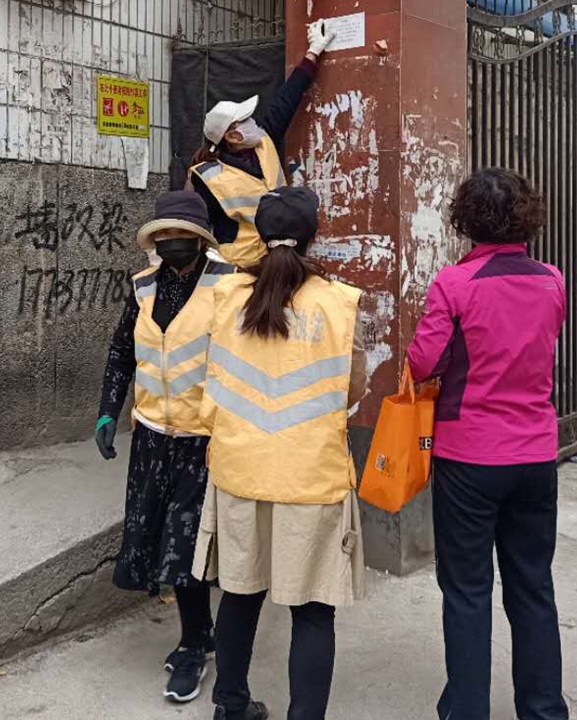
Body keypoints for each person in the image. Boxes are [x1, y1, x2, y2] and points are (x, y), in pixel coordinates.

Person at [192, 187, 367, 720]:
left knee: (240, 594)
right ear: (314, 234)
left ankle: (230, 706)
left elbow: (210, 379)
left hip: (239, 471)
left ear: (260, 234)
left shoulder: (227, 297)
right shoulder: (338, 303)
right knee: (313, 612)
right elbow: (353, 388)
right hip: (311, 477)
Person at [407, 168, 569, 720]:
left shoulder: (454, 284)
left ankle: (467, 709)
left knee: (467, 592)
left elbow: (423, 363)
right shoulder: (552, 280)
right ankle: (544, 710)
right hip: (536, 454)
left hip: (470, 455)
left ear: (466, 219)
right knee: (533, 588)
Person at [95, 190, 235, 703]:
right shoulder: (143, 286)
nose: (172, 241)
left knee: (186, 543)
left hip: (206, 438)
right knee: (158, 538)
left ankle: (195, 644)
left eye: (182, 233)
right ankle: (202, 634)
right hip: (153, 437)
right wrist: (108, 410)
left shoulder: (229, 285)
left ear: (199, 238)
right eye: (164, 234)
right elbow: (121, 351)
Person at [187, 21, 335, 269]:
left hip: (278, 259)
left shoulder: (264, 142)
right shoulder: (206, 175)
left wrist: (314, 52)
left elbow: (288, 98)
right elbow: (198, 227)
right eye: (245, 120)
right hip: (238, 266)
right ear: (232, 136)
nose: (253, 122)